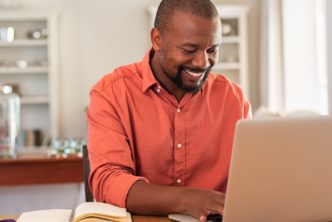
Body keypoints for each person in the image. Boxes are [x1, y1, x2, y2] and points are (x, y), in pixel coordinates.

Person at [87, 0, 252, 221]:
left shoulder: (234, 98)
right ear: (157, 39)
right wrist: (189, 200)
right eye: (189, 49)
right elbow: (108, 181)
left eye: (212, 50)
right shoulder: (111, 93)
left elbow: (253, 178)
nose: (203, 62)